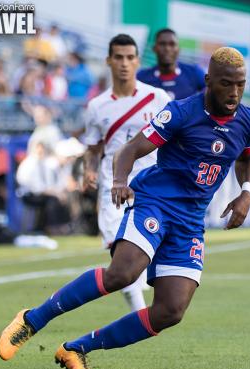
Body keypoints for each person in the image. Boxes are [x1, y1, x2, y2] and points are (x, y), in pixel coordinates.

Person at [0, 46, 250, 369]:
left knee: (171, 310)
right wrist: (120, 181)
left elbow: (248, 159)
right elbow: (130, 150)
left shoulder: (248, 121)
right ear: (208, 81)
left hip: (191, 220)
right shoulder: (180, 113)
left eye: (240, 84)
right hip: (156, 202)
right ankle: (32, 319)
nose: (234, 92)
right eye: (226, 84)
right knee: (122, 273)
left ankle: (77, 349)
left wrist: (246, 193)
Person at [81, 34, 171, 312]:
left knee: (146, 260)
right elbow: (93, 147)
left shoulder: (156, 97)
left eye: (130, 57)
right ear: (108, 60)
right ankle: (140, 315)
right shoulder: (97, 106)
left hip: (151, 189)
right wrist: (88, 170)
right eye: (118, 57)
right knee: (119, 261)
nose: (124, 63)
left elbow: (174, 138)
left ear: (137, 61)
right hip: (113, 191)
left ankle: (146, 308)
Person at [137, 28, 205, 100]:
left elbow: (211, 93)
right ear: (154, 48)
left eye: (172, 44)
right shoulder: (142, 77)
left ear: (178, 49)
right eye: (162, 44)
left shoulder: (194, 72)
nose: (167, 49)